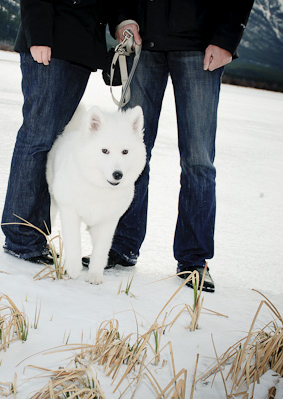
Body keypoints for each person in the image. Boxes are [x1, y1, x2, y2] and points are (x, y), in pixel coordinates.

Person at [102, 1, 255, 291]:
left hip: (200, 47)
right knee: (130, 154)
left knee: (198, 161)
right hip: (143, 44)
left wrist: (225, 39)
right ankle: (122, 245)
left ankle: (194, 260)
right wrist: (123, 18)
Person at [1, 0, 108, 264]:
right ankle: (20, 237)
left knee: (51, 145)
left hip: (79, 51)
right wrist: (38, 35)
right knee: (37, 139)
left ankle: (34, 234)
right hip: (50, 44)